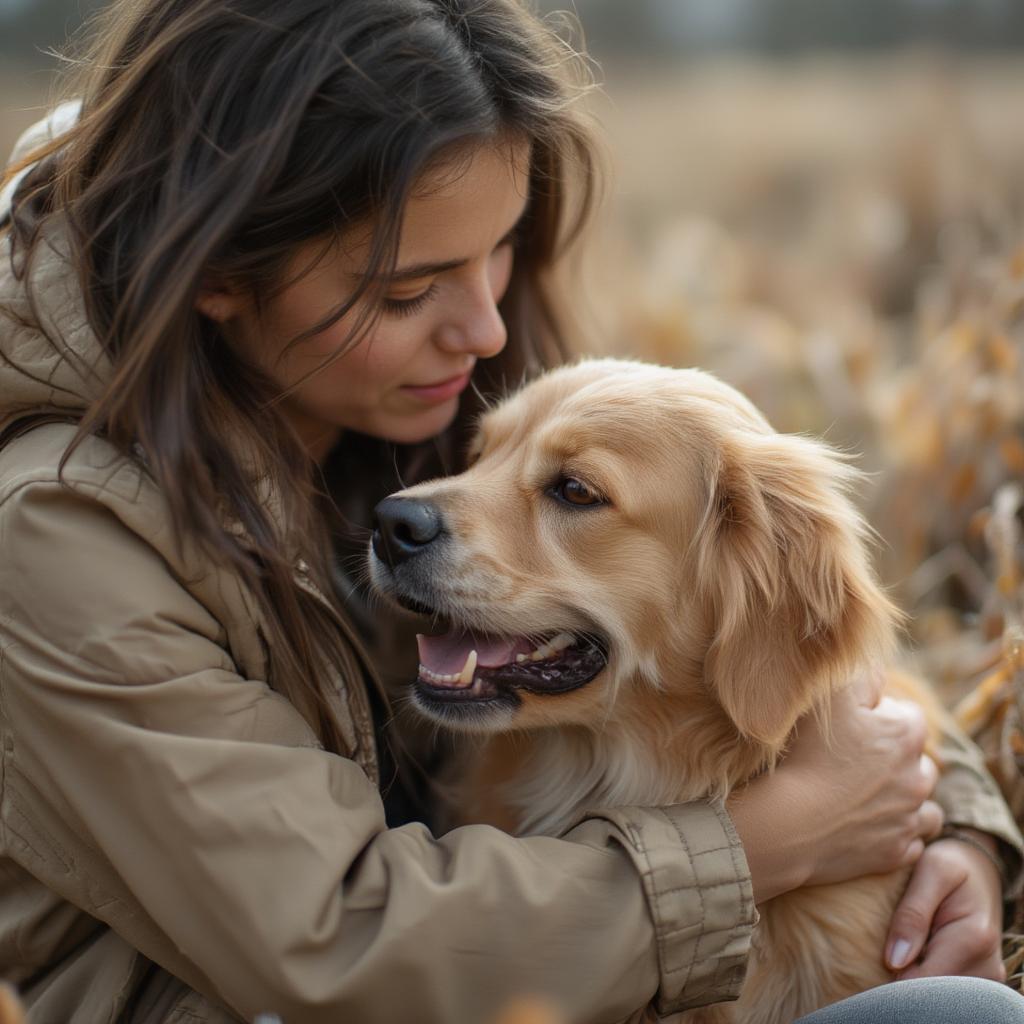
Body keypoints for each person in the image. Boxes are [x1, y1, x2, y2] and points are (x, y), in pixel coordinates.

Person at [0, 1, 1019, 1021]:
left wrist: (951, 832)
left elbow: (825, 657)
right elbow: (335, 937)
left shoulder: (422, 379)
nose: (486, 327)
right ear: (220, 270)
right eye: (408, 291)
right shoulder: (58, 536)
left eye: (496, 250)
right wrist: (773, 840)